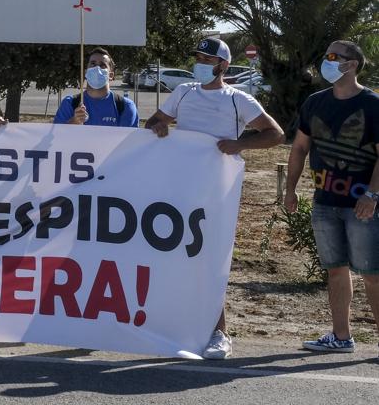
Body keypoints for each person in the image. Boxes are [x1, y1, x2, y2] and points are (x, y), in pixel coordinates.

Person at [147, 36, 285, 359]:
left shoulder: (238, 100)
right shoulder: (182, 93)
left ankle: (219, 332)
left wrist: (241, 145)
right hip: (179, 189)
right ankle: (184, 326)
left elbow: (276, 134)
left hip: (216, 193)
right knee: (177, 257)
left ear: (223, 65)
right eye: (198, 59)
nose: (201, 65)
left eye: (207, 61)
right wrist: (158, 127)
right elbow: (153, 123)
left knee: (210, 262)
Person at [283, 40, 379, 354]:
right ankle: (341, 337)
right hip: (324, 203)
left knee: (372, 274)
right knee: (336, 269)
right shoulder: (315, 102)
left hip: (362, 205)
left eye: (334, 56)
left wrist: (372, 194)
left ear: (352, 64)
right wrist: (291, 189)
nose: (327, 61)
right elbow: (299, 147)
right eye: (326, 55)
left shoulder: (373, 105)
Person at [54, 48, 138, 127]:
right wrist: (74, 122)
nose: (97, 68)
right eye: (93, 63)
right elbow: (57, 137)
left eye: (102, 65)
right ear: (86, 72)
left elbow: (128, 141)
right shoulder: (70, 104)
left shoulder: (125, 106)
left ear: (111, 75)